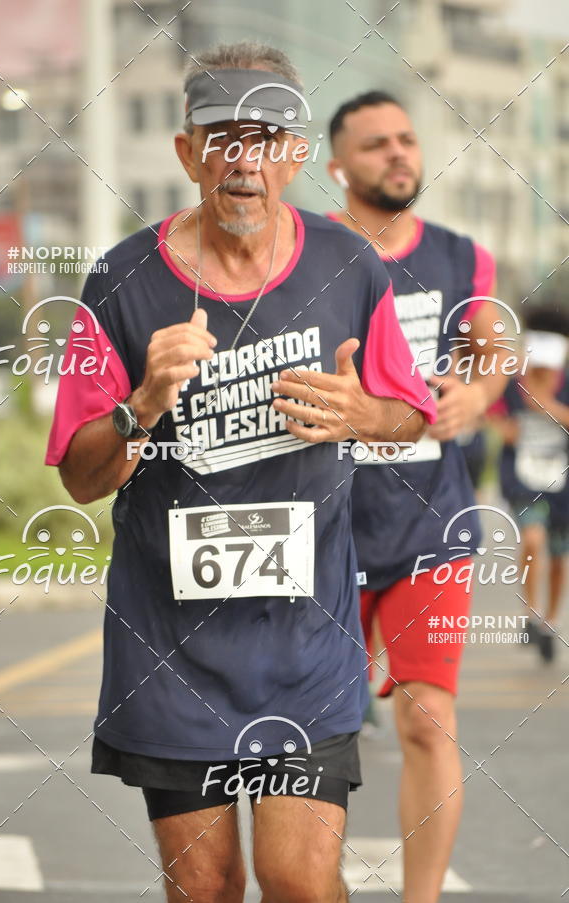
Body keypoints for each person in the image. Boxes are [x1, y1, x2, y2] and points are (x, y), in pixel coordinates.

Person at [46, 46, 435, 903]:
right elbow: (80, 476)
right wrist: (143, 401)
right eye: (222, 138)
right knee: (208, 886)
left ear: (297, 154)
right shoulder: (120, 279)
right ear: (187, 154)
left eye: (266, 138)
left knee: (299, 876)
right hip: (170, 649)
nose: (244, 160)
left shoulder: (349, 264)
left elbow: (411, 412)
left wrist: (360, 413)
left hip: (306, 643)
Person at [327, 91, 509, 903]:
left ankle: (421, 899)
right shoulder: (305, 252)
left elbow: (489, 352)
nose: (399, 154)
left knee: (426, 718)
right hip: (321, 525)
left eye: (406, 140)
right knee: (314, 734)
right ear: (338, 165)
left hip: (430, 520)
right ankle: (309, 883)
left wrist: (476, 394)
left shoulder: (460, 255)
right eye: (376, 145)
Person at [493, 304, 569, 663]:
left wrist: (549, 408)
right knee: (532, 538)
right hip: (524, 479)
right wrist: (505, 429)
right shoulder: (513, 381)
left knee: (558, 558)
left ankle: (549, 621)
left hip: (562, 483)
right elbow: (489, 411)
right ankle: (530, 614)